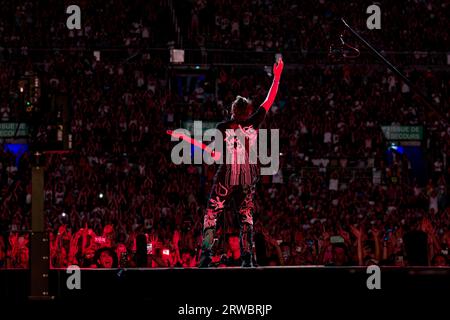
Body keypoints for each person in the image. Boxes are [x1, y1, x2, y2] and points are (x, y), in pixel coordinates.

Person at [199, 58, 284, 267]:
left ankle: (206, 255)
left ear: (232, 111)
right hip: (246, 178)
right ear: (247, 112)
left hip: (226, 178)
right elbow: (269, 99)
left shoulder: (222, 127)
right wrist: (278, 77)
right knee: (245, 217)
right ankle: (247, 257)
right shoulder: (254, 122)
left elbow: (215, 155)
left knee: (212, 214)